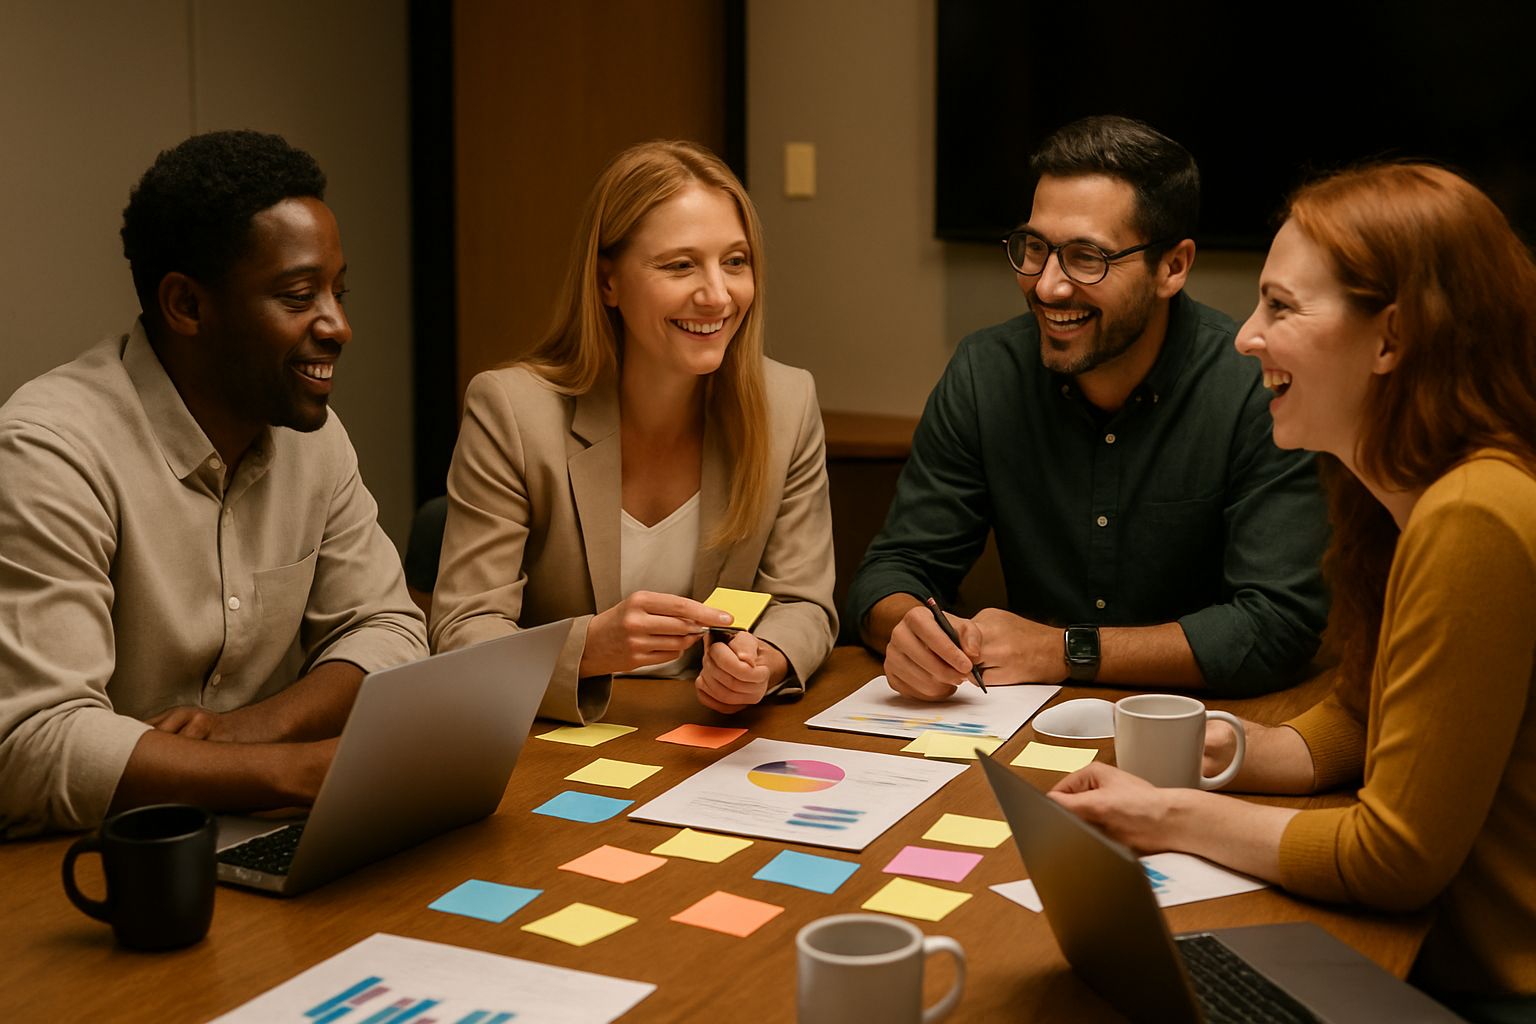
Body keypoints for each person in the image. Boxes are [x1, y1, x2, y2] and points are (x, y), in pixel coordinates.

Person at [1051, 163, 1536, 1021]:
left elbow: (1396, 858)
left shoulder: (1476, 515)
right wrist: (1225, 750)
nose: (1244, 336)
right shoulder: (1399, 490)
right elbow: (1363, 715)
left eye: (1280, 306)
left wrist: (1167, 815)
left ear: (1391, 339)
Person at [0, 130, 428, 838]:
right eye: (299, 296)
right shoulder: (48, 453)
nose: (340, 326)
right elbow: (32, 740)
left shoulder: (312, 436)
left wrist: (251, 730)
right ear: (186, 306)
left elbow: (385, 626)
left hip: (254, 832)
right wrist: (295, 772)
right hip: (86, 860)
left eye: (338, 291)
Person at [847, 115, 1329, 701]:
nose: (1048, 286)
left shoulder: (1253, 390)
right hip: (1019, 719)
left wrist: (1063, 650)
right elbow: (894, 569)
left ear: (1172, 267)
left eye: (1086, 257)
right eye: (1034, 248)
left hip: (1202, 730)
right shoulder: (986, 373)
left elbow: (1277, 626)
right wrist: (911, 631)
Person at [431, 140, 836, 723]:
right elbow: (461, 631)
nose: (717, 295)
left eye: (735, 261)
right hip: (553, 736)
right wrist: (590, 648)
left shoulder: (787, 402)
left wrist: (762, 660)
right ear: (607, 284)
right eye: (679, 265)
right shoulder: (512, 411)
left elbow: (802, 600)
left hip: (706, 734)